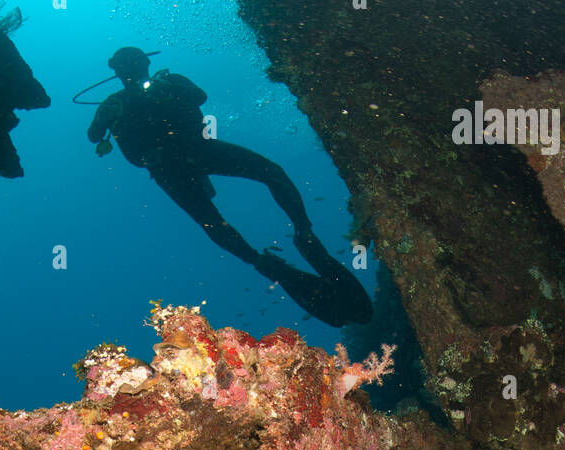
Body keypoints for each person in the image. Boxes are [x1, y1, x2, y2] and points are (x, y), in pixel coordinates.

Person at [87, 47, 372, 327]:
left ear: (144, 64)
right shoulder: (115, 102)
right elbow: (94, 135)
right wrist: (105, 115)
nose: (132, 71)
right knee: (215, 219)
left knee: (265, 177)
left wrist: (165, 90)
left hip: (195, 150)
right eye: (126, 67)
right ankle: (264, 259)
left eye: (134, 64)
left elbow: (199, 96)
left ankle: (301, 234)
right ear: (117, 71)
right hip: (167, 168)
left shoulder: (168, 80)